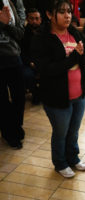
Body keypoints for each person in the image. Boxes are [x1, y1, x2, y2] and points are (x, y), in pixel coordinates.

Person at [30, 0, 85, 178]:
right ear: (50, 15)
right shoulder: (41, 39)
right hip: (56, 97)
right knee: (61, 132)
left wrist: (79, 58)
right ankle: (60, 163)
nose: (67, 15)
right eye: (61, 12)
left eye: (68, 11)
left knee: (73, 131)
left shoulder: (75, 33)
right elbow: (47, 69)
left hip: (79, 94)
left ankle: (73, 158)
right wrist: (74, 58)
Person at [0, 0, 25, 149]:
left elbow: (20, 33)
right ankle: (9, 132)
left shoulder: (10, 3)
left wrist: (6, 24)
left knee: (19, 97)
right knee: (2, 100)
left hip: (14, 57)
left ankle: (14, 127)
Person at [21, 8, 42, 105]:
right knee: (27, 75)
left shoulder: (45, 32)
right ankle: (36, 93)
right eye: (31, 18)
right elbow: (21, 52)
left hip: (42, 62)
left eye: (37, 18)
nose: (34, 21)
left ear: (40, 19)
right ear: (27, 19)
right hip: (28, 63)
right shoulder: (23, 33)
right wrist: (30, 62)